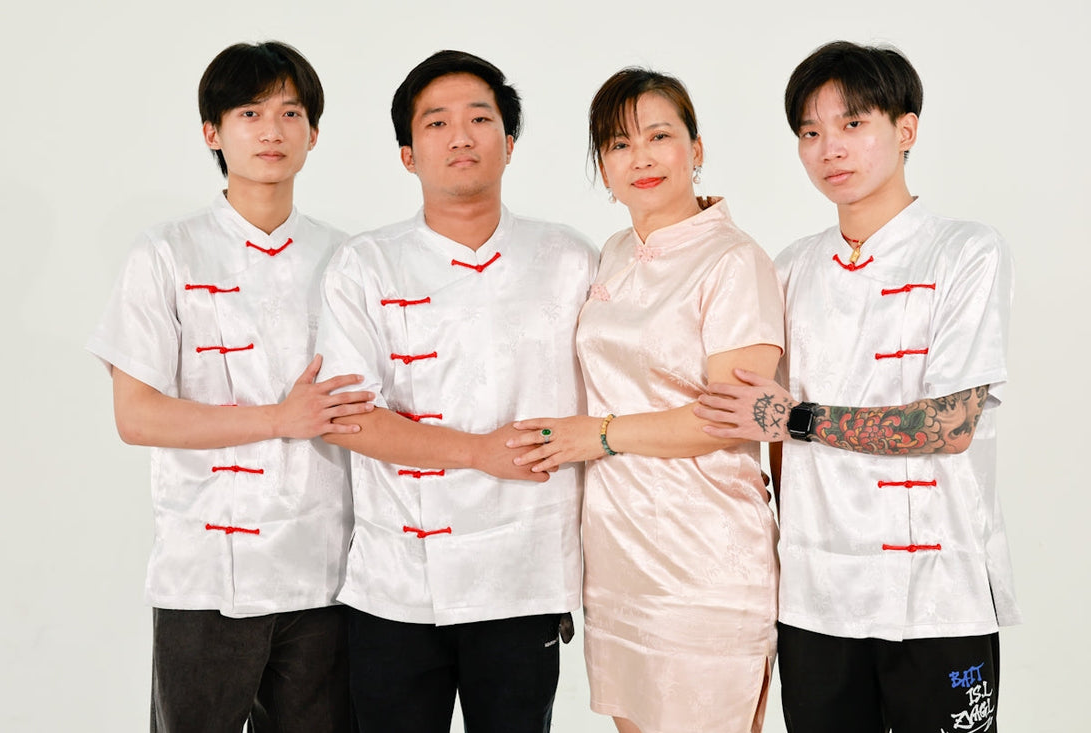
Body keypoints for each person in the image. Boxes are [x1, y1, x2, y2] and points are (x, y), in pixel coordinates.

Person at [693, 41, 1020, 733]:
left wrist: (798, 418)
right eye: (810, 133)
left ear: (906, 130)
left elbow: (948, 425)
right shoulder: (788, 268)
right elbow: (761, 430)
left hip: (940, 592)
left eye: (852, 124)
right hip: (816, 598)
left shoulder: (966, 250)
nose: (829, 148)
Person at [86, 41, 373, 732]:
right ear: (213, 132)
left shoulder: (349, 258)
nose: (271, 130)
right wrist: (279, 417)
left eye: (289, 112)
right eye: (249, 112)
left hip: (327, 570)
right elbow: (137, 414)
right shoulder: (165, 252)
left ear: (314, 132)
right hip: (204, 571)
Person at [313, 50, 596, 733]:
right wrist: (480, 451)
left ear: (510, 143)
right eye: (436, 123)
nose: (461, 136)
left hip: (522, 572)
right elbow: (346, 419)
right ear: (408, 154)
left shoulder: (568, 259)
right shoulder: (365, 263)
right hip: (397, 583)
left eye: (480, 119)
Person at [508, 68, 785, 733]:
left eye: (660, 135)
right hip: (619, 554)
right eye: (619, 144)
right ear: (604, 167)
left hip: (705, 554)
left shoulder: (733, 261)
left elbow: (729, 417)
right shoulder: (614, 252)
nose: (642, 157)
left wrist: (597, 434)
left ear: (696, 148)